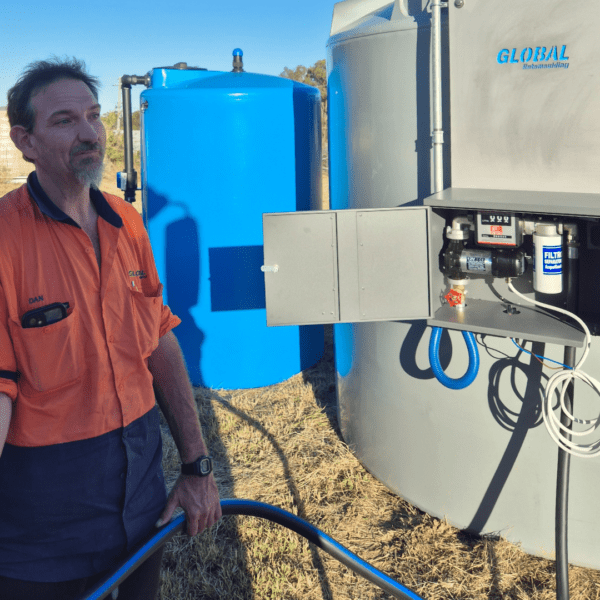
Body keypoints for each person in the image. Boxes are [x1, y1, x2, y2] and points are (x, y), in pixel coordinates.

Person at [0, 57, 222, 600]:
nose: (89, 133)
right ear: (24, 140)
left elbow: (159, 340)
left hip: (140, 503)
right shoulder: (5, 238)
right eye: (64, 121)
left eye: (94, 116)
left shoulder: (126, 221)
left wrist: (196, 466)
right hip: (42, 530)